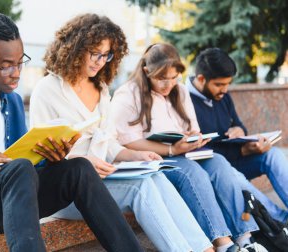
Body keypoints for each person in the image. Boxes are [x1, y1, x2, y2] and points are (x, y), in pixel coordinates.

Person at [0, 13, 144, 252]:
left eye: (20, 62)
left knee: (79, 168)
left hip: (8, 202)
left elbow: (24, 167)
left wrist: (52, 157)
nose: (17, 72)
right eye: (7, 65)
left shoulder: (11, 101)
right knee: (18, 168)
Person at [30, 13, 213, 252]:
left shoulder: (101, 88)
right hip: (70, 192)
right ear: (74, 48)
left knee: (155, 176)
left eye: (106, 55)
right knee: (141, 188)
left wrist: (137, 156)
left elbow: (110, 145)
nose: (100, 61)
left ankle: (204, 248)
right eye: (94, 52)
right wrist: (83, 160)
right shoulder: (47, 90)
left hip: (106, 180)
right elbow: (40, 155)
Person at [111, 43, 276, 251]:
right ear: (147, 71)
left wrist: (194, 138)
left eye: (173, 78)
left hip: (184, 152)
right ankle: (223, 243)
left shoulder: (179, 91)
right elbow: (126, 140)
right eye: (162, 79)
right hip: (152, 158)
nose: (168, 85)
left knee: (219, 163)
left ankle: (245, 239)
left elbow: (193, 128)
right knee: (192, 173)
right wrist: (171, 150)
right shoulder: (128, 94)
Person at [187, 47, 288, 217]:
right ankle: (280, 222)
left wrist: (239, 130)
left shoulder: (222, 96)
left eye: (227, 84)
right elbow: (199, 152)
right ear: (201, 79)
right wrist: (241, 150)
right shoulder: (184, 101)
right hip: (213, 169)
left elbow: (239, 124)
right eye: (219, 85)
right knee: (235, 177)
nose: (225, 90)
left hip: (236, 159)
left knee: (274, 155)